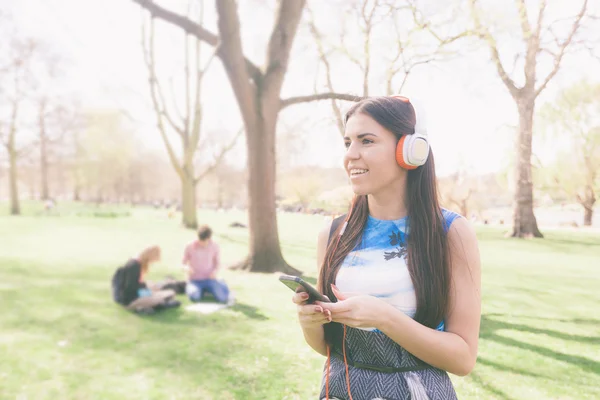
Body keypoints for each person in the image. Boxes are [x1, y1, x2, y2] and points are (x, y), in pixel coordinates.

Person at [292, 96, 481, 399]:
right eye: (347, 143)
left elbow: (463, 358)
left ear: (410, 151)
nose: (351, 155)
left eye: (366, 141)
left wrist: (385, 318)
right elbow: (327, 347)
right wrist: (309, 323)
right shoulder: (332, 233)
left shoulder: (450, 233)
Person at [111, 245, 180, 314]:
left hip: (134, 296)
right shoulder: (134, 266)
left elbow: (136, 285)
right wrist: (147, 290)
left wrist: (148, 288)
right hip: (130, 300)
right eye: (153, 260)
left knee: (170, 293)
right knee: (163, 296)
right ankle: (144, 307)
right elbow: (131, 288)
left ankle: (151, 306)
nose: (151, 262)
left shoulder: (136, 262)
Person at [183, 225, 233, 305]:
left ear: (209, 238)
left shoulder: (215, 246)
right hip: (195, 280)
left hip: (210, 279)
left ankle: (221, 283)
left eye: (204, 241)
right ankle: (203, 289)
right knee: (194, 297)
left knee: (222, 298)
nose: (202, 243)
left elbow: (217, 263)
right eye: (200, 241)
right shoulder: (189, 246)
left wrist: (215, 272)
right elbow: (183, 263)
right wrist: (187, 268)